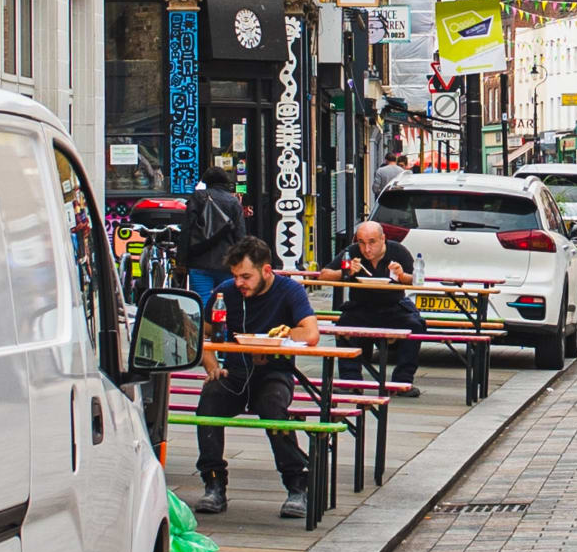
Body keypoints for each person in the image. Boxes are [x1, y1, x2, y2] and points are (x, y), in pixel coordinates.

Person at [196, 234, 325, 521]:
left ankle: (296, 484)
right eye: (235, 276)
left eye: (246, 276)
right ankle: (214, 481)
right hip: (235, 371)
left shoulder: (289, 291)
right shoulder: (225, 292)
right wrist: (211, 366)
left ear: (266, 270)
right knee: (209, 401)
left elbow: (311, 333)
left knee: (273, 409)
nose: (239, 283)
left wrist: (279, 337)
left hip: (275, 372)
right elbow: (200, 334)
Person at [331, 217, 422, 394]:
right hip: (360, 306)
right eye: (362, 242)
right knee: (343, 326)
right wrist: (346, 271)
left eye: (372, 242)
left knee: (415, 327)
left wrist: (402, 276)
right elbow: (324, 274)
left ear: (383, 238)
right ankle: (351, 382)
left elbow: (416, 281)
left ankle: (402, 382)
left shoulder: (398, 251)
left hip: (393, 306)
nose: (366, 249)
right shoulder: (352, 252)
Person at [177, 167, 248, 319]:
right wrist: (241, 264)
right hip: (226, 264)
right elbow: (240, 236)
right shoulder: (233, 202)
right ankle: (224, 336)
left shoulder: (198, 197)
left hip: (199, 262)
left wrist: (181, 261)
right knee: (226, 304)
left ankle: (204, 337)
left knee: (203, 303)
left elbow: (186, 230)